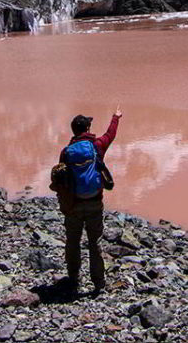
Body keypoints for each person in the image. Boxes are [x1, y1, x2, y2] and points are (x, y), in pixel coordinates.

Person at [59, 108, 122, 293]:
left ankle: (73, 278)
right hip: (94, 202)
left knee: (72, 241)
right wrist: (115, 117)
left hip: (73, 204)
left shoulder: (66, 152)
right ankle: (98, 282)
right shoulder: (97, 146)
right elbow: (111, 134)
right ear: (87, 128)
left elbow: (62, 178)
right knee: (95, 243)